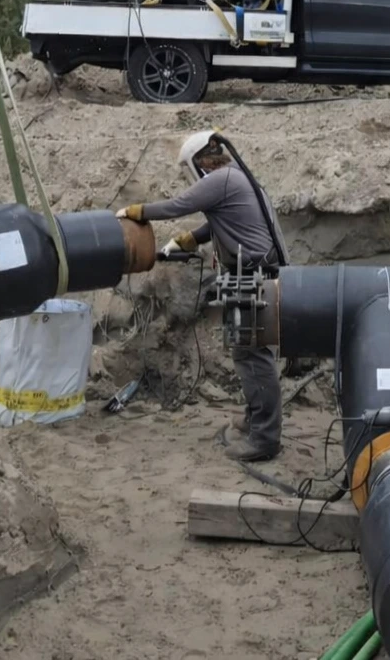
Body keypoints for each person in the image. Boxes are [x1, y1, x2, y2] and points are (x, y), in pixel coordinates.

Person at [117, 130, 285, 461]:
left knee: (252, 355)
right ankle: (255, 420)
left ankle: (265, 438)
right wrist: (191, 240)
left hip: (251, 275)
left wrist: (138, 211)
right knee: (246, 351)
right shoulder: (235, 178)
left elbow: (180, 205)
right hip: (252, 273)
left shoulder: (220, 178)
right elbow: (219, 221)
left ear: (198, 161)